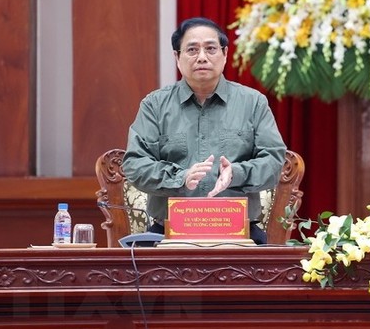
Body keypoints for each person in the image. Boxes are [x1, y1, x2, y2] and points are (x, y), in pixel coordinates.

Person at [122, 17, 287, 244]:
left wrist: (235, 174)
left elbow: (274, 161)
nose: (202, 57)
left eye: (210, 49)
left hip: (239, 232)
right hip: (168, 232)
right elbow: (134, 164)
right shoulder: (155, 105)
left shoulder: (253, 103)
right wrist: (181, 178)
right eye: (191, 49)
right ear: (177, 57)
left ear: (225, 54)